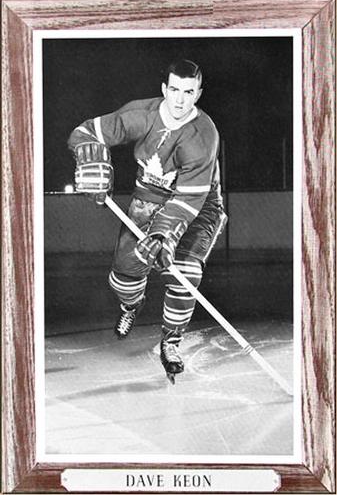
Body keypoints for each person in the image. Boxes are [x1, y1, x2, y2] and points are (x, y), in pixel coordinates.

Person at [68, 59, 227, 383]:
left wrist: (163, 234)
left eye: (189, 92)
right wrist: (88, 151)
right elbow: (84, 131)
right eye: (175, 91)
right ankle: (131, 305)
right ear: (164, 89)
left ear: (198, 93)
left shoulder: (204, 135)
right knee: (123, 279)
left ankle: (170, 342)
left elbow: (188, 199)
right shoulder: (140, 115)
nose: (181, 100)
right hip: (147, 200)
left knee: (185, 272)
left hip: (198, 206)